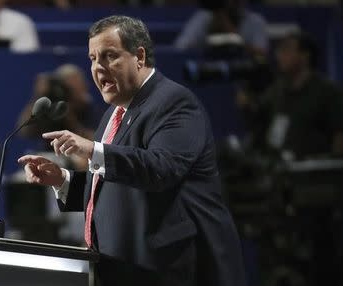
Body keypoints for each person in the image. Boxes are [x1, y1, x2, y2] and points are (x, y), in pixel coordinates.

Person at [18, 15, 245, 286]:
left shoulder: (174, 102)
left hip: (171, 269)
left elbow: (161, 169)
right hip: (125, 268)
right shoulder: (114, 113)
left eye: (109, 56)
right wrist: (63, 180)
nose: (98, 68)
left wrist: (91, 150)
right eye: (92, 58)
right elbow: (117, 187)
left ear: (139, 56)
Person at [238, 32, 343, 159]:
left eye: (286, 49)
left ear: (305, 56)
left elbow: (339, 133)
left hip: (310, 171)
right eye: (279, 50)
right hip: (276, 169)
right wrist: (247, 106)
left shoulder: (327, 92)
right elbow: (259, 121)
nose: (280, 55)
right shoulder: (277, 90)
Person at [174, 0, 268, 57]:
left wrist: (233, 36)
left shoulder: (255, 21)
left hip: (243, 76)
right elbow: (180, 47)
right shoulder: (204, 17)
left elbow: (261, 54)